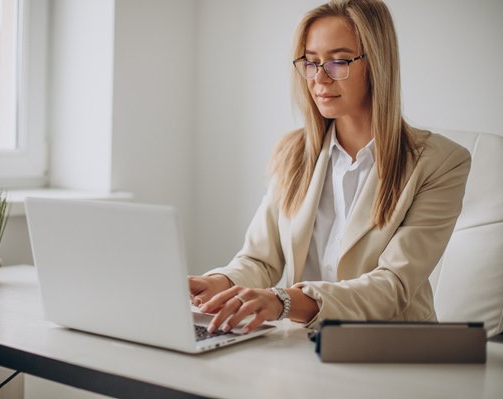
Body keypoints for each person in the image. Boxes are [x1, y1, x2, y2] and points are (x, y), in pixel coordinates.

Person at [189, 0, 471, 335]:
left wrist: (284, 301)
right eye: (311, 62)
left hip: (393, 349)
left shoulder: (440, 162)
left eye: (338, 61)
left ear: (377, 64)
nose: (319, 78)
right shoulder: (294, 152)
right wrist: (218, 282)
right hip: (304, 346)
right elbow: (260, 259)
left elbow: (392, 286)